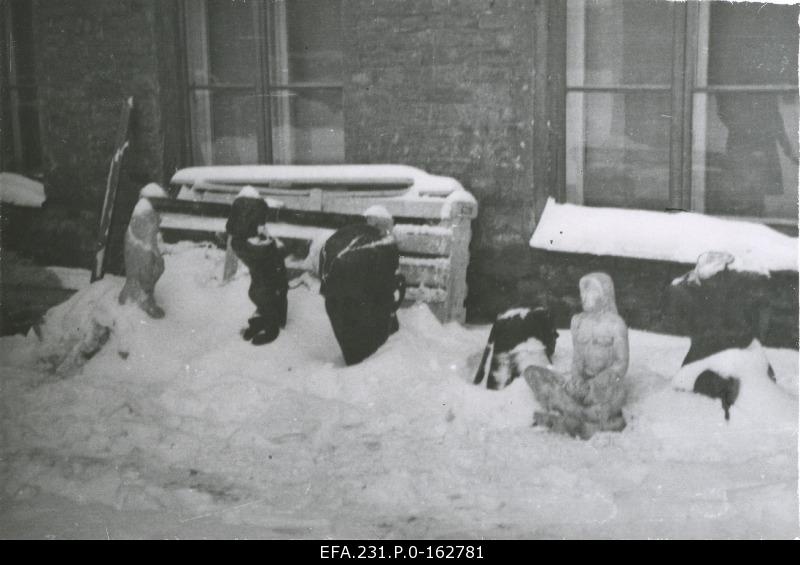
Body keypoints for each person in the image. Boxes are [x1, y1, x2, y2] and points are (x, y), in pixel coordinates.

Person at [524, 272, 628, 439]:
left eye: (591, 291)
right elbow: (578, 359)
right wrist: (577, 378)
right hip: (582, 386)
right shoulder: (578, 321)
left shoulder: (616, 324)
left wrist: (596, 383)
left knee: (613, 391)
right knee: (532, 372)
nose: (584, 296)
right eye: (583, 292)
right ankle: (584, 418)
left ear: (604, 294)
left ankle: (570, 417)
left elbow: (621, 364)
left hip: (603, 387)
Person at [319, 206, 405, 365]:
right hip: (365, 305)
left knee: (357, 352)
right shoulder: (381, 246)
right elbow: (391, 284)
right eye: (386, 229)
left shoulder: (342, 240)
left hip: (341, 301)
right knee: (369, 355)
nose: (388, 233)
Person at [226, 186, 288, 345]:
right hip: (265, 272)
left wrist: (267, 244)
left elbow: (264, 249)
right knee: (259, 291)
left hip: (274, 276)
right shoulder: (242, 240)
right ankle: (264, 318)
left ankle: (272, 326)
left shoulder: (246, 239)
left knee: (263, 292)